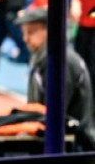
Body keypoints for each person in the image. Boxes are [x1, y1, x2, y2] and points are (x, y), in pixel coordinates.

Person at [15, 8, 95, 150]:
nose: (25, 39)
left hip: (75, 147)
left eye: (31, 32)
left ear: (48, 30)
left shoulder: (60, 61)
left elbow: (55, 114)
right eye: (24, 33)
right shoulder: (42, 58)